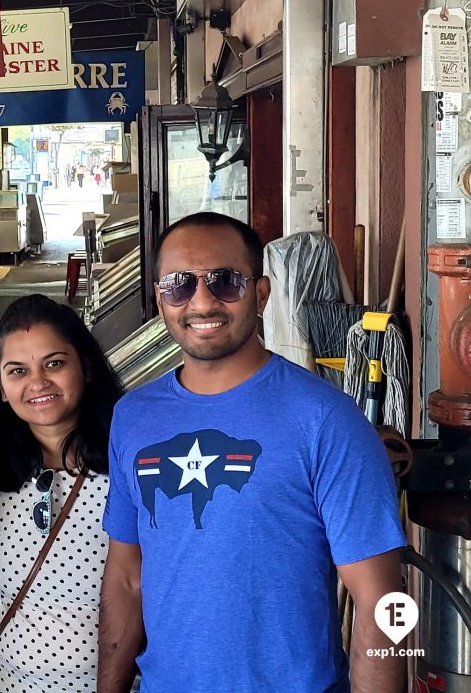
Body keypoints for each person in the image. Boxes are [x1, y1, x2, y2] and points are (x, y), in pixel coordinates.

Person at [98, 212, 408, 693]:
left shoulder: (327, 420)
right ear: (160, 298)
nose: (202, 301)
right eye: (179, 285)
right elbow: (125, 577)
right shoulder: (133, 417)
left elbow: (383, 599)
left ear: (260, 294)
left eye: (225, 281)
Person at [0, 294, 123, 692]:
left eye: (54, 363)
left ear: (86, 367)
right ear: (2, 387)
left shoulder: (130, 465)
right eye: (17, 370)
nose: (38, 383)